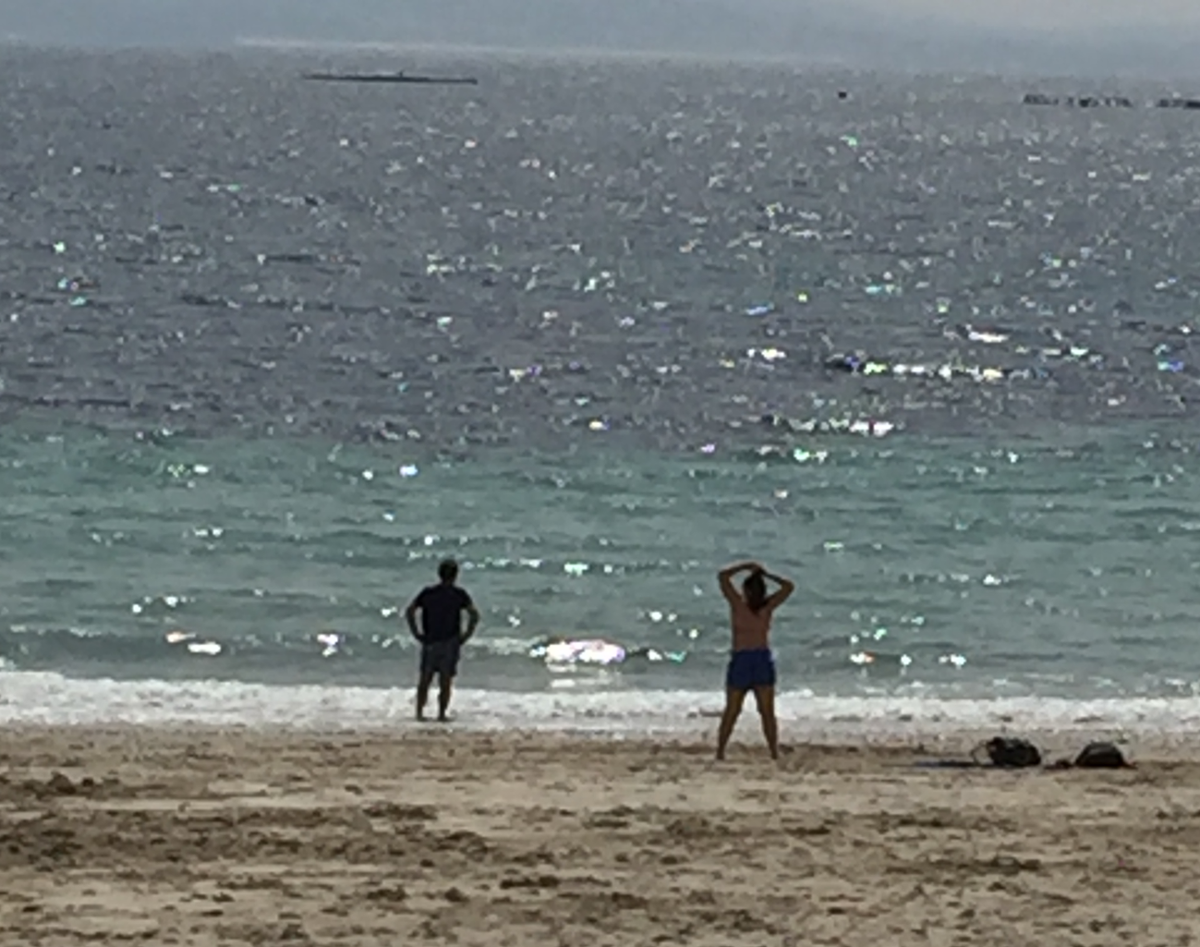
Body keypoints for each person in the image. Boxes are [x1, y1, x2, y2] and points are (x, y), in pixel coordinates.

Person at [714, 560, 795, 761]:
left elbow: (789, 587)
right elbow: (722, 577)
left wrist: (756, 571)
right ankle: (723, 750)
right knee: (739, 710)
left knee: (758, 711)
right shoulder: (748, 607)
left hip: (753, 659)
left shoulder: (754, 607)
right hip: (751, 659)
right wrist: (754, 570)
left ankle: (771, 751)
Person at [404, 559, 480, 722]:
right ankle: (441, 714)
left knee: (425, 679)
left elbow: (410, 611)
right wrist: (466, 635)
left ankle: (419, 713)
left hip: (430, 640)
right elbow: (474, 615)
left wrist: (416, 632)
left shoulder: (429, 593)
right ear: (455, 575)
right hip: (450, 641)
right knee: (445, 680)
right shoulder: (459, 594)